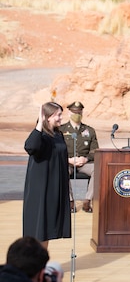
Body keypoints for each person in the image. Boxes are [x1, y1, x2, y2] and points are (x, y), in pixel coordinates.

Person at [23, 102, 71, 249]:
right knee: (38, 226)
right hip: (40, 188)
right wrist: (39, 122)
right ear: (48, 117)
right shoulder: (40, 135)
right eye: (58, 115)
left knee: (47, 227)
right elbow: (31, 146)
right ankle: (33, 263)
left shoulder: (58, 135)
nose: (61, 118)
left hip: (54, 186)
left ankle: (41, 262)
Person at [59, 101, 99, 213]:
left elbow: (95, 150)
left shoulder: (89, 130)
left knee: (98, 170)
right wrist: (68, 160)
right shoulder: (61, 130)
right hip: (67, 162)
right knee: (61, 170)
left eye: (79, 112)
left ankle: (87, 200)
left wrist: (86, 159)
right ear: (69, 113)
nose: (77, 114)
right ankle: (70, 202)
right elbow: (57, 149)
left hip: (84, 163)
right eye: (74, 112)